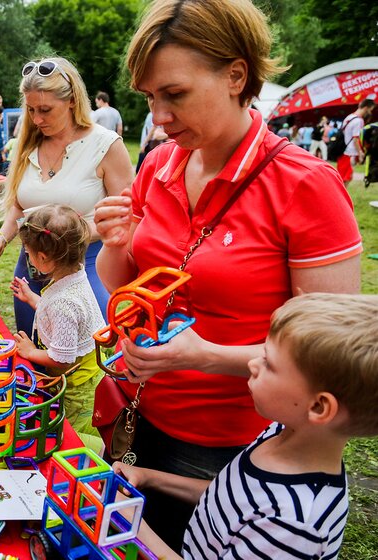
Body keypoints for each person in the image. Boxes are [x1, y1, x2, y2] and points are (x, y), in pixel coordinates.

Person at [92, 0, 362, 547]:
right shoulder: (159, 164)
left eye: (175, 94)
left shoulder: (304, 185)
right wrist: (116, 243)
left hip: (227, 443)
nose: (159, 117)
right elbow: (122, 282)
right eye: (149, 98)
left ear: (237, 75)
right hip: (139, 411)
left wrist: (202, 356)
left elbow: (327, 360)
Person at [115, 293, 378, 559]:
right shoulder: (282, 431)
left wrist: (134, 527)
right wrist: (150, 477)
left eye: (269, 364)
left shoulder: (293, 524)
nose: (252, 364)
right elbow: (232, 497)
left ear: (319, 407)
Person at [0, 56, 134, 337]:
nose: (37, 119)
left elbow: (127, 215)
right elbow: (19, 203)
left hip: (84, 267)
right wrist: (2, 238)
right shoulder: (28, 144)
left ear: (73, 100)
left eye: (45, 110)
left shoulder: (106, 145)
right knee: (33, 354)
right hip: (29, 269)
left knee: (79, 359)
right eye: (31, 110)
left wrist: (72, 236)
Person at [10, 204, 106, 449]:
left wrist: (30, 352)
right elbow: (66, 321)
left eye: (28, 253)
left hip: (77, 392)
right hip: (89, 376)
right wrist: (33, 299)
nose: (28, 258)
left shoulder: (63, 301)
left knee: (70, 440)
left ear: (43, 258)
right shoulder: (75, 276)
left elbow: (62, 358)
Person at [338, 98, 375, 186]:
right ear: (366, 108)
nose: (370, 112)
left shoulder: (349, 117)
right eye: (371, 109)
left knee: (343, 177)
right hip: (349, 153)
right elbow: (356, 139)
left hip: (343, 150)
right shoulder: (359, 121)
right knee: (345, 179)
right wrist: (360, 152)